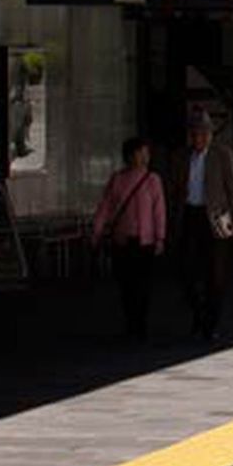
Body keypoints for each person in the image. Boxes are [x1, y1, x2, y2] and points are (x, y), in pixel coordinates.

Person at [163, 111, 233, 343]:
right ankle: (198, 313)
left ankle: (211, 323)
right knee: (186, 271)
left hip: (215, 217)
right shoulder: (181, 156)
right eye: (195, 134)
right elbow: (172, 189)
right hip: (189, 214)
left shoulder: (222, 155)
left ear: (210, 135)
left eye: (204, 134)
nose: (199, 138)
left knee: (215, 274)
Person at [89, 138, 166, 341]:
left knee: (143, 284)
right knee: (126, 284)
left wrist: (160, 237)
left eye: (146, 152)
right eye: (141, 152)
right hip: (122, 241)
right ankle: (131, 322)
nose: (145, 156)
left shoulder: (152, 180)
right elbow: (105, 207)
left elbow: (159, 211)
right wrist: (96, 231)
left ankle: (140, 323)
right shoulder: (118, 179)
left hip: (145, 241)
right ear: (130, 155)